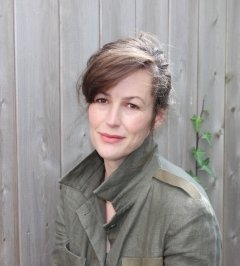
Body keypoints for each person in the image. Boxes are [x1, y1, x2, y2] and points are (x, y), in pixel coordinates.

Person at [52, 32, 221, 266]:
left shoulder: (186, 210)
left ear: (157, 117)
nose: (112, 119)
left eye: (131, 105)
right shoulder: (73, 192)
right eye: (102, 100)